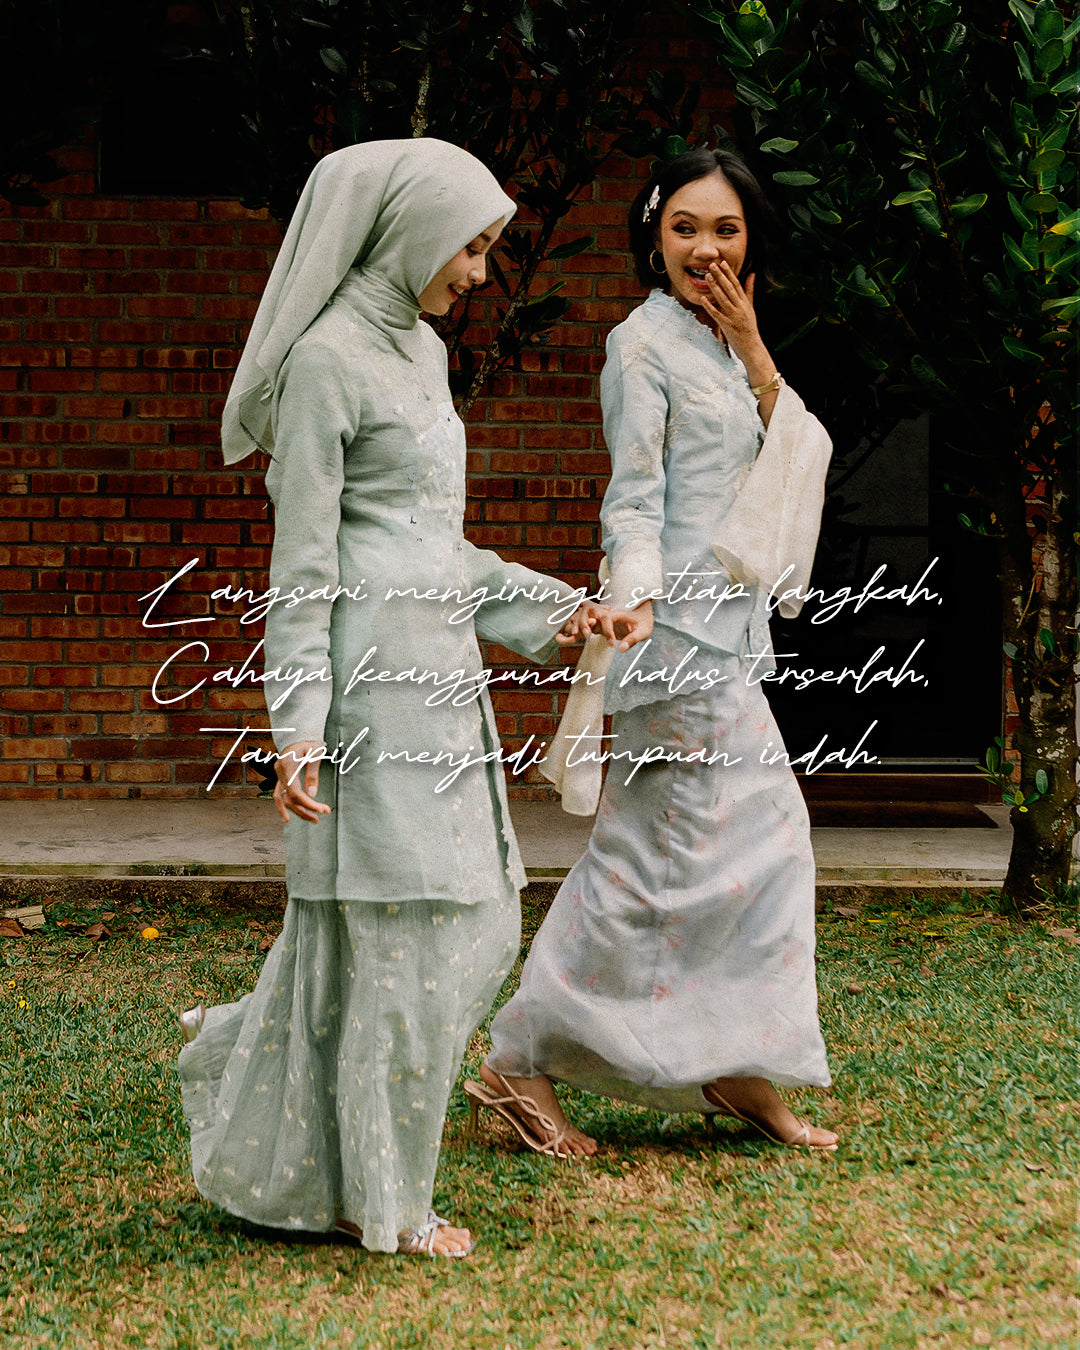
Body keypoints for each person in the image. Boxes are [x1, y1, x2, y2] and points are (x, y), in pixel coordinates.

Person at [176, 138, 618, 1256]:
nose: (478, 272)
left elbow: (430, 544)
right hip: (368, 694)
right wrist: (298, 731)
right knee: (403, 941)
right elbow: (304, 570)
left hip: (439, 677)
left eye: (488, 248)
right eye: (470, 246)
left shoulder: (421, 349)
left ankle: (252, 1061)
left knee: (467, 924)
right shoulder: (325, 363)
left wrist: (553, 609)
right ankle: (386, 1203)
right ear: (412, 231)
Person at [467, 146, 839, 1158]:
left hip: (730, 641)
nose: (705, 248)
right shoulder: (640, 346)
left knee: (749, 857)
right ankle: (517, 1064)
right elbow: (633, 498)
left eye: (725, 229)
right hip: (670, 640)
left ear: (751, 241)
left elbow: (793, 448)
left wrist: (753, 346)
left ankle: (732, 1061)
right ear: (653, 236)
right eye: (684, 228)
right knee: (658, 864)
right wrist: (630, 601)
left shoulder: (728, 347)